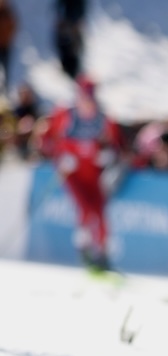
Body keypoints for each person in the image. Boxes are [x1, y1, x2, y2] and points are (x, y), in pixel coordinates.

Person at [37, 75, 121, 272]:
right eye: (84, 98)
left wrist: (107, 155)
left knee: (100, 212)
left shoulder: (102, 118)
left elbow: (115, 144)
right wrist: (59, 157)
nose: (87, 104)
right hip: (72, 173)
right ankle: (85, 252)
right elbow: (46, 139)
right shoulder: (65, 115)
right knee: (85, 210)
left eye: (90, 99)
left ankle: (103, 255)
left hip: (93, 173)